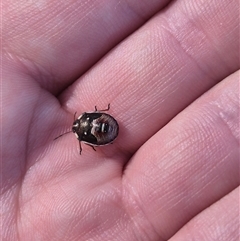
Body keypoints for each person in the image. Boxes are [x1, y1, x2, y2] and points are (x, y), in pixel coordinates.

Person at [1, 0, 239, 240]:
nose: (77, 125)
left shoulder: (83, 135)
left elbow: (94, 131)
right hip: (107, 130)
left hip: (106, 133)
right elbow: (94, 118)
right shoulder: (84, 125)